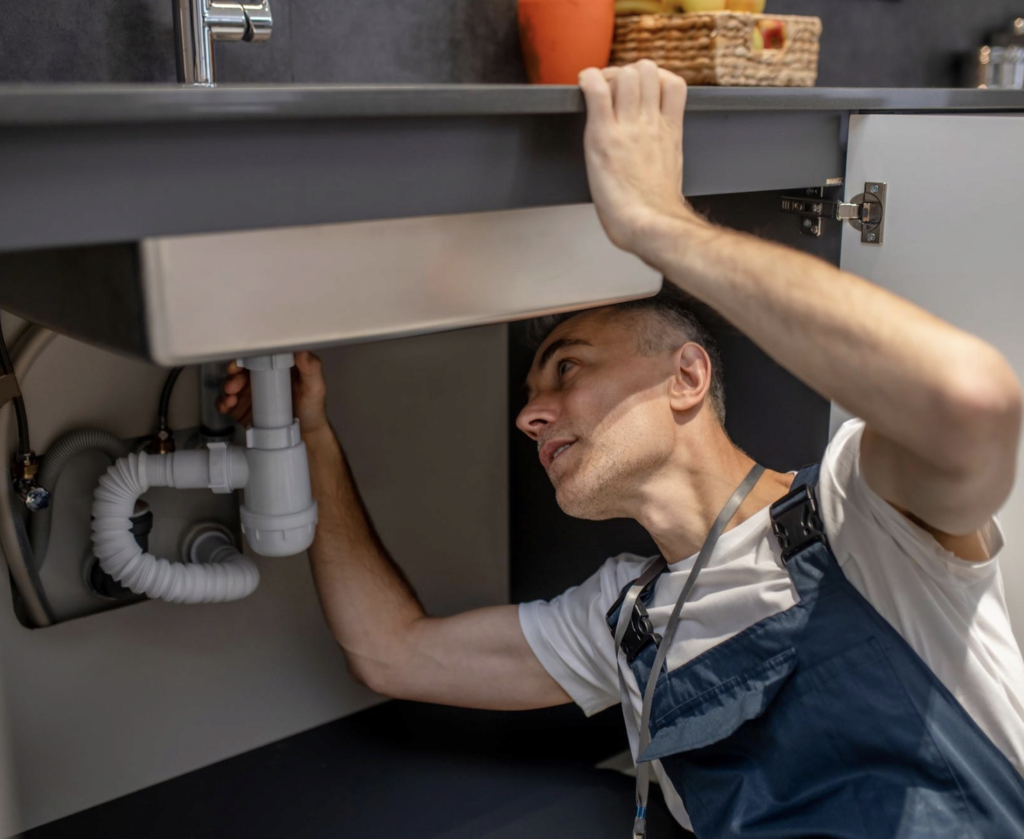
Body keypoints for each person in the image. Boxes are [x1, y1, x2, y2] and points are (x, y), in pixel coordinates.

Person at [219, 62, 1024, 838]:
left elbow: (970, 398)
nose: (528, 415)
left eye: (566, 367)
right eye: (531, 392)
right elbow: (391, 652)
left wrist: (656, 225)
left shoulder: (864, 517)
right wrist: (310, 434)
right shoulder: (624, 621)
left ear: (686, 377)